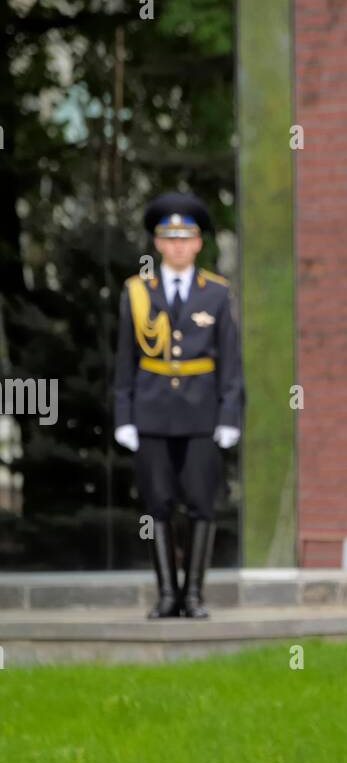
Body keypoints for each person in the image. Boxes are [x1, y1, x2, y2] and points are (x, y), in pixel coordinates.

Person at [113, 192, 244, 618]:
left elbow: (230, 360)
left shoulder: (217, 294)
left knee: (202, 504)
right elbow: (124, 360)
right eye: (169, 238)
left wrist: (228, 414)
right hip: (151, 412)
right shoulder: (136, 292)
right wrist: (124, 414)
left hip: (202, 413)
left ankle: (194, 596)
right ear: (157, 243)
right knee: (158, 504)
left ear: (198, 243)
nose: (178, 246)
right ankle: (167, 595)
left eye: (186, 237)